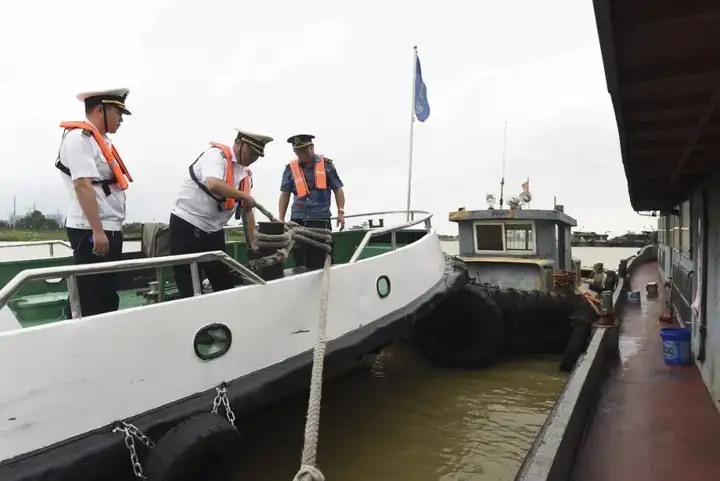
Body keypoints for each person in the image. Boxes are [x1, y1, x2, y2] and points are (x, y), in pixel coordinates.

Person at [56, 88, 133, 317]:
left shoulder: (102, 142)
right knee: (89, 297)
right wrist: (97, 231)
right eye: (118, 112)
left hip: (109, 228)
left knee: (107, 295)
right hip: (90, 230)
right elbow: (82, 185)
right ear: (101, 109)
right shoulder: (79, 139)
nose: (121, 120)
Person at [169, 128, 273, 298]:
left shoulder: (245, 174)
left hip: (213, 232)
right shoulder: (216, 156)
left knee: (223, 284)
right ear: (238, 144)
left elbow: (248, 210)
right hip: (187, 226)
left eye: (257, 155)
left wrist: (253, 243)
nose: (253, 158)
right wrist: (242, 196)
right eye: (251, 152)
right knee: (188, 286)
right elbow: (213, 184)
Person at [278, 134, 345, 270]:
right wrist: (280, 219)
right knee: (300, 259)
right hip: (297, 220)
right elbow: (284, 194)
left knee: (319, 258)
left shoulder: (326, 165)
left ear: (312, 147)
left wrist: (341, 212)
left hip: (319, 219)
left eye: (304, 151)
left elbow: (338, 189)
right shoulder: (289, 169)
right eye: (298, 152)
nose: (301, 155)